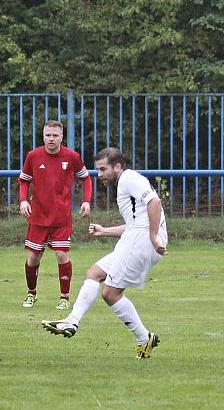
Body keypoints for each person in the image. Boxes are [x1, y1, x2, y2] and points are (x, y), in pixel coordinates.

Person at [41, 147, 167, 358]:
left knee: (110, 293)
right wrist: (105, 231)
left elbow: (155, 202)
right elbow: (136, 222)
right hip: (137, 237)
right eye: (97, 170)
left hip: (141, 242)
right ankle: (73, 321)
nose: (99, 175)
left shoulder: (128, 178)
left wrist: (153, 236)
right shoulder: (127, 182)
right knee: (94, 273)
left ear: (117, 166)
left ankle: (142, 338)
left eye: (102, 169)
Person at [19, 119, 93, 310]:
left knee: (61, 255)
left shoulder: (72, 156)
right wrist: (23, 200)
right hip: (38, 217)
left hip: (61, 217)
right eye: (47, 135)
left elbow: (85, 178)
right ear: (43, 135)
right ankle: (31, 293)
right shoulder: (33, 156)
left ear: (61, 137)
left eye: (55, 135)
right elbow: (24, 180)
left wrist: (86, 200)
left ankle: (64, 297)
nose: (51, 139)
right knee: (34, 257)